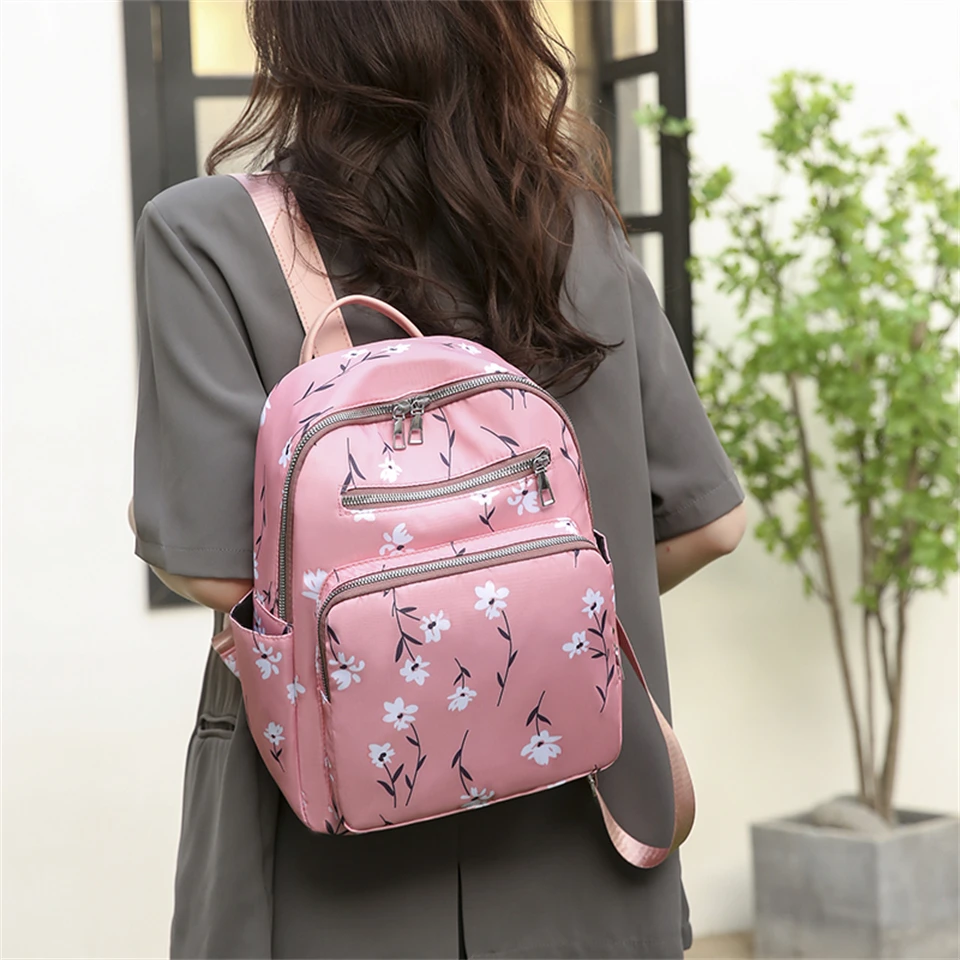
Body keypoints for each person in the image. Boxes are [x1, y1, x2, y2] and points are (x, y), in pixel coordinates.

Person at [131, 2, 746, 957]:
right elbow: (710, 523)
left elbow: (216, 569)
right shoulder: (572, 227)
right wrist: (517, 614)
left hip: (330, 880)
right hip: (588, 853)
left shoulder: (207, 234)